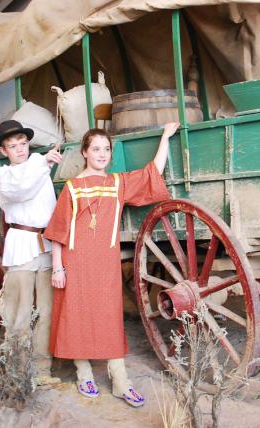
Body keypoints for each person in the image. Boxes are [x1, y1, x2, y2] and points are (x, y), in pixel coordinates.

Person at [44, 123, 178, 406]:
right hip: (75, 261)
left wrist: (164, 138)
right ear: (84, 152)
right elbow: (58, 231)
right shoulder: (73, 187)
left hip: (105, 264)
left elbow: (153, 172)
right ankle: (84, 374)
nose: (102, 154)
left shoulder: (117, 183)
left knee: (109, 318)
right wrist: (58, 268)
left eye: (106, 149)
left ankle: (120, 381)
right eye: (96, 149)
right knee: (77, 315)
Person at [0, 119, 63, 386]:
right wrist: (43, 164)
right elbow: (22, 191)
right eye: (13, 146)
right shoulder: (3, 175)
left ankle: (42, 368)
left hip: (45, 244)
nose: (20, 149)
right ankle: (17, 369)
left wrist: (41, 163)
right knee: (19, 312)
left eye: (23, 144)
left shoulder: (37, 163)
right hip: (21, 245)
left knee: (46, 310)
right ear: (3, 151)